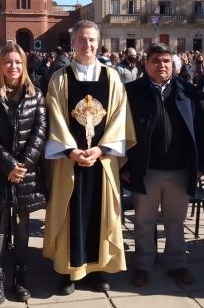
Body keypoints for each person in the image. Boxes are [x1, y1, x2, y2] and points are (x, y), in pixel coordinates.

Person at [42, 20, 135, 295]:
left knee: (101, 212)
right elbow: (54, 117)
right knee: (70, 212)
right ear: (73, 43)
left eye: (92, 40)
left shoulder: (113, 77)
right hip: (69, 161)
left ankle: (98, 269)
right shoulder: (59, 78)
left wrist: (101, 149)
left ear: (99, 42)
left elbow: (120, 116)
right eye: (82, 39)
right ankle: (68, 271)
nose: (88, 45)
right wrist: (71, 150)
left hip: (102, 161)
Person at [122, 43, 204, 288]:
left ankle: (177, 263)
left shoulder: (188, 92)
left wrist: (199, 164)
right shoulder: (131, 92)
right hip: (145, 170)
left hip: (179, 170)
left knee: (176, 221)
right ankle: (143, 265)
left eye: (166, 60)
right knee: (144, 222)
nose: (161, 65)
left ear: (174, 65)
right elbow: (121, 132)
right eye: (156, 60)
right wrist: (124, 166)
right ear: (145, 64)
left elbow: (201, 130)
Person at [0, 43, 47, 304]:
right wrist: (7, 165)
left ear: (24, 65)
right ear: (0, 65)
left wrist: (22, 165)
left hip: (26, 174)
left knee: (21, 225)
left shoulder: (35, 94)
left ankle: (20, 275)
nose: (13, 67)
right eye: (8, 62)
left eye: (17, 62)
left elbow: (40, 133)